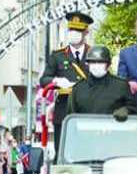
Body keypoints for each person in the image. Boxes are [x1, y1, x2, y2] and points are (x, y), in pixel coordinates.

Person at [40, 11, 95, 151]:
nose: (73, 33)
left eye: (78, 30)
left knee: (87, 152)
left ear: (85, 32)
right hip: (64, 110)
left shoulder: (94, 54)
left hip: (88, 110)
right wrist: (57, 81)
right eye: (71, 29)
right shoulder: (57, 56)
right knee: (62, 152)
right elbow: (44, 80)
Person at [67, 46, 137, 120]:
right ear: (88, 64)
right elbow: (71, 117)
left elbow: (134, 109)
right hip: (85, 130)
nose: (96, 65)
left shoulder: (121, 85)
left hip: (113, 129)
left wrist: (126, 110)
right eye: (93, 62)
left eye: (101, 62)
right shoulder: (78, 88)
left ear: (108, 64)